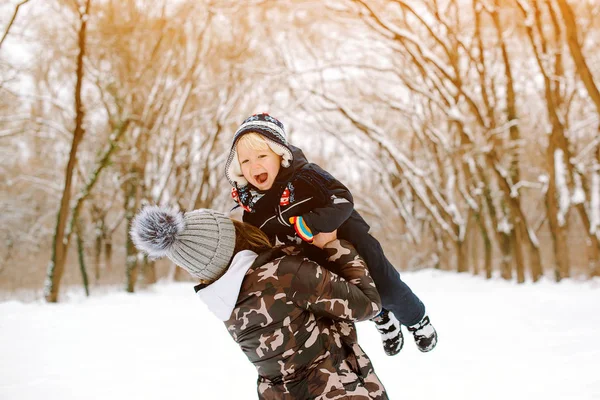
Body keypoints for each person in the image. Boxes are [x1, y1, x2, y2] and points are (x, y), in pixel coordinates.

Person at [225, 113, 437, 356]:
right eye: (246, 161)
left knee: (386, 287)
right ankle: (382, 318)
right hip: (318, 259)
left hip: (353, 240)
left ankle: (416, 318)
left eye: (262, 156)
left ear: (280, 155)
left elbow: (342, 197)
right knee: (354, 297)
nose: (255, 166)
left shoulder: (306, 176)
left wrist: (311, 223)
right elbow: (259, 241)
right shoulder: (253, 207)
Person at [130, 205, 388, 399]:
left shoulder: (226, 305)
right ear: (233, 236)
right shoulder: (285, 275)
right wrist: (334, 246)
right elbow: (368, 305)